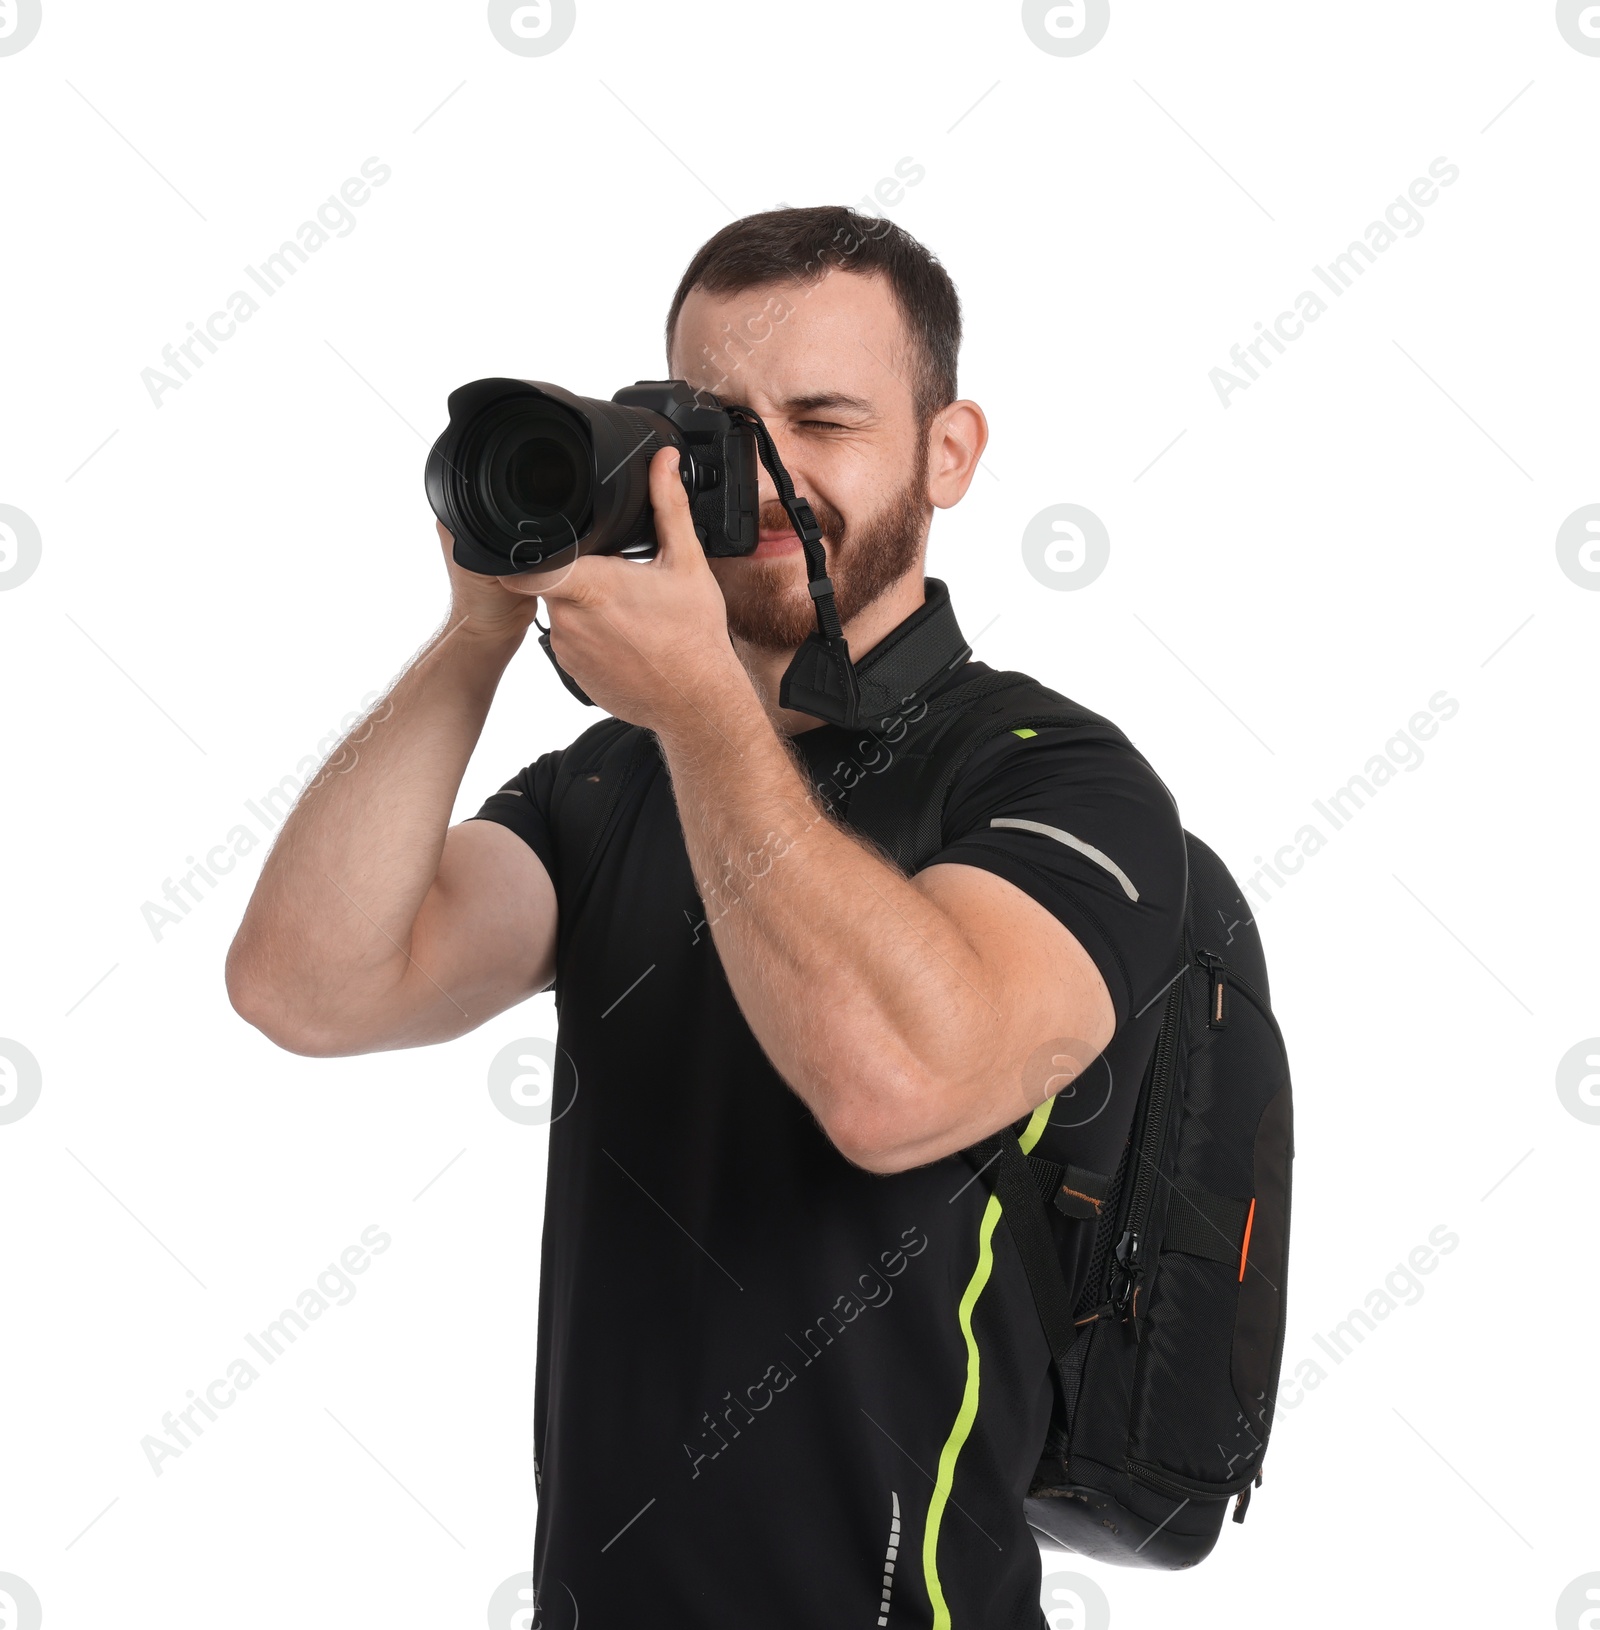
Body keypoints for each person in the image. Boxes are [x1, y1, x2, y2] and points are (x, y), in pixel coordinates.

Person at [226, 205, 1188, 1629]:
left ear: (948, 452)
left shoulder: (1063, 780)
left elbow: (895, 1084)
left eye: (825, 419)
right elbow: (308, 984)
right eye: (719, 425)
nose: (768, 471)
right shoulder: (612, 779)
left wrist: (693, 705)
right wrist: (483, 626)